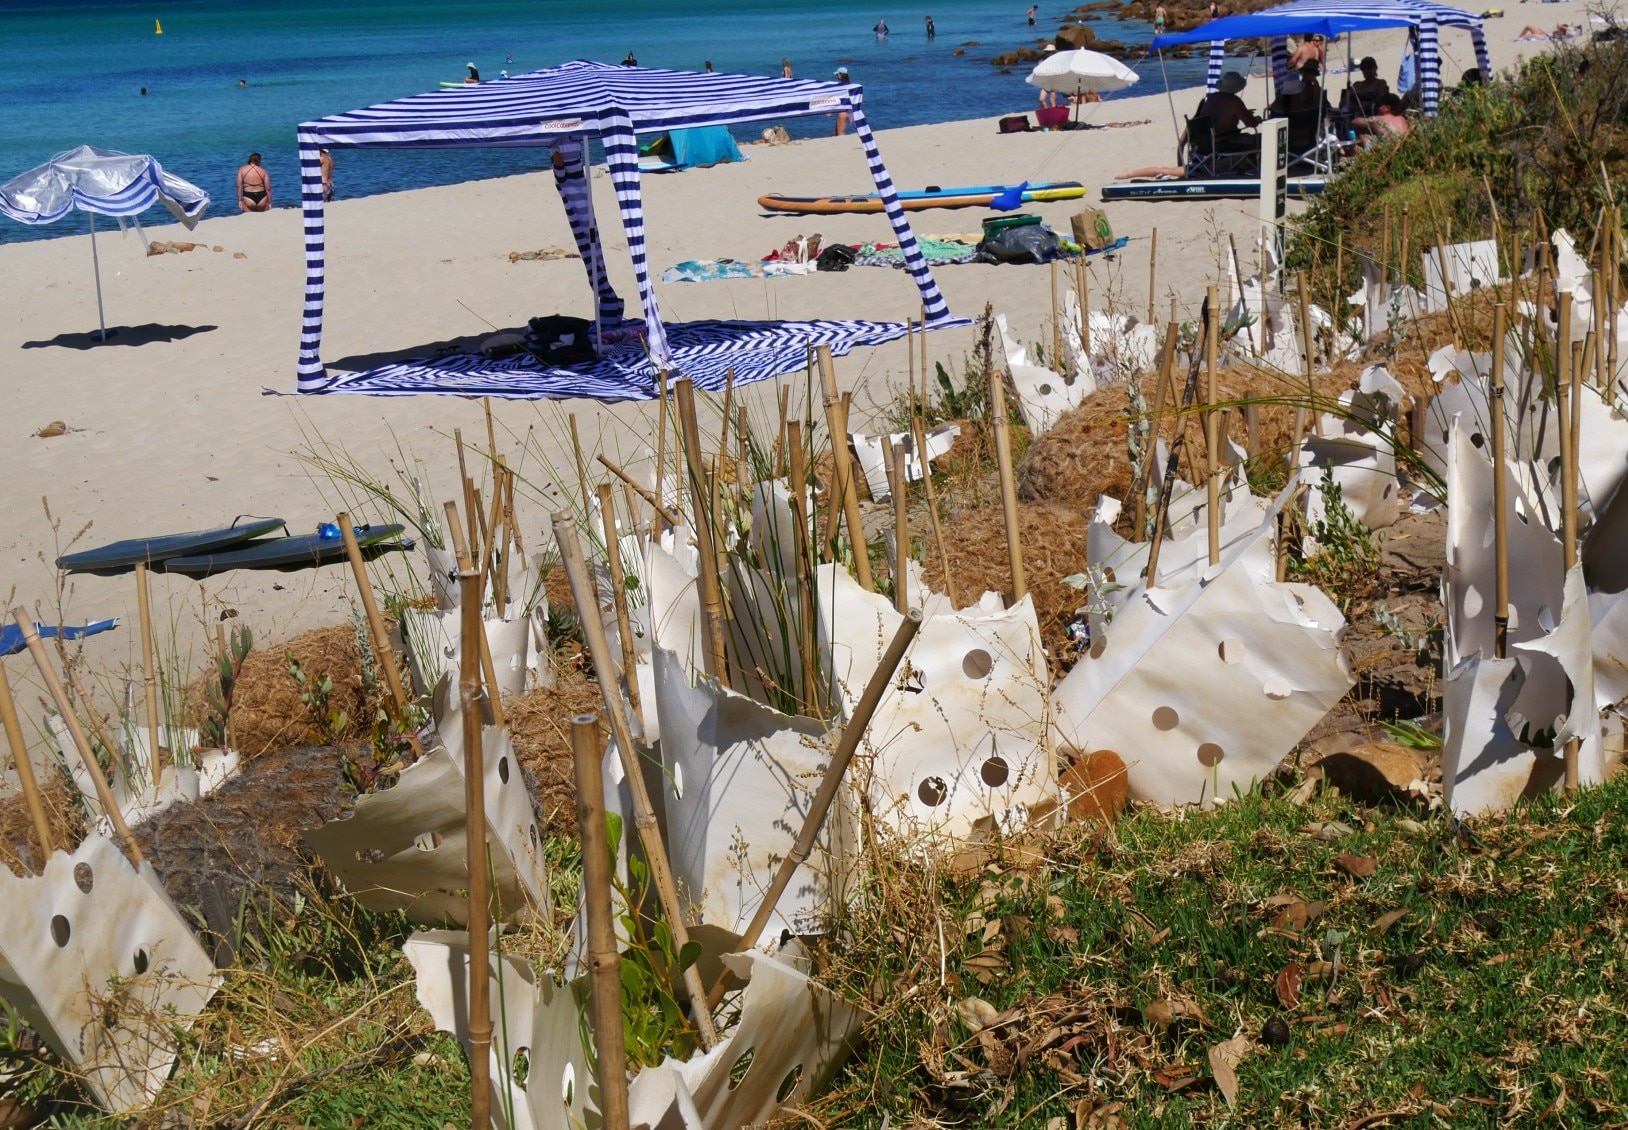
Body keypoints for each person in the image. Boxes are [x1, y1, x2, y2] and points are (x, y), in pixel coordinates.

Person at [1182, 69, 1260, 153]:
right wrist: (1257, 119)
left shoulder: (1211, 97)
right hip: (1223, 142)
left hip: (1206, 142)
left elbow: (1219, 114)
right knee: (1261, 139)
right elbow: (1252, 124)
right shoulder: (1234, 101)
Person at [833, 67, 851, 135]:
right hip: (851, 111)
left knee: (840, 134)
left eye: (837, 74)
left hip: (843, 112)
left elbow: (835, 99)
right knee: (836, 133)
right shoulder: (851, 85)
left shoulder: (839, 87)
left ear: (840, 75)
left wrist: (829, 111)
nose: (837, 76)